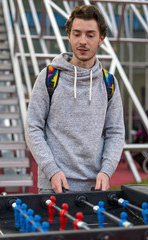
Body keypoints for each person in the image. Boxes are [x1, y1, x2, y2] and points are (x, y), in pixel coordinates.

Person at [25, 4, 125, 193]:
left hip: (96, 187)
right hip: (55, 186)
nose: (83, 41)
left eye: (90, 35)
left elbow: (116, 132)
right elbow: (33, 127)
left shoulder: (109, 82)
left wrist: (106, 171)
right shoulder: (49, 77)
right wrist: (52, 171)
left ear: (101, 39)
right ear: (69, 36)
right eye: (77, 34)